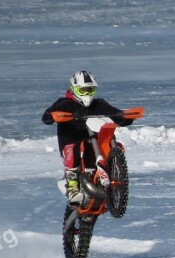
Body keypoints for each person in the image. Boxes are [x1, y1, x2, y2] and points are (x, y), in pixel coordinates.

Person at [42, 71, 135, 205]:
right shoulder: (64, 104)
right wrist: (53, 116)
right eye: (83, 90)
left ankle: (116, 174)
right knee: (72, 149)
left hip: (94, 144)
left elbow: (115, 113)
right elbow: (46, 117)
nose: (87, 94)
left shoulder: (99, 104)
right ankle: (72, 186)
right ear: (74, 89)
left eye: (90, 90)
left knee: (116, 145)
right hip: (72, 144)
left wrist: (125, 117)